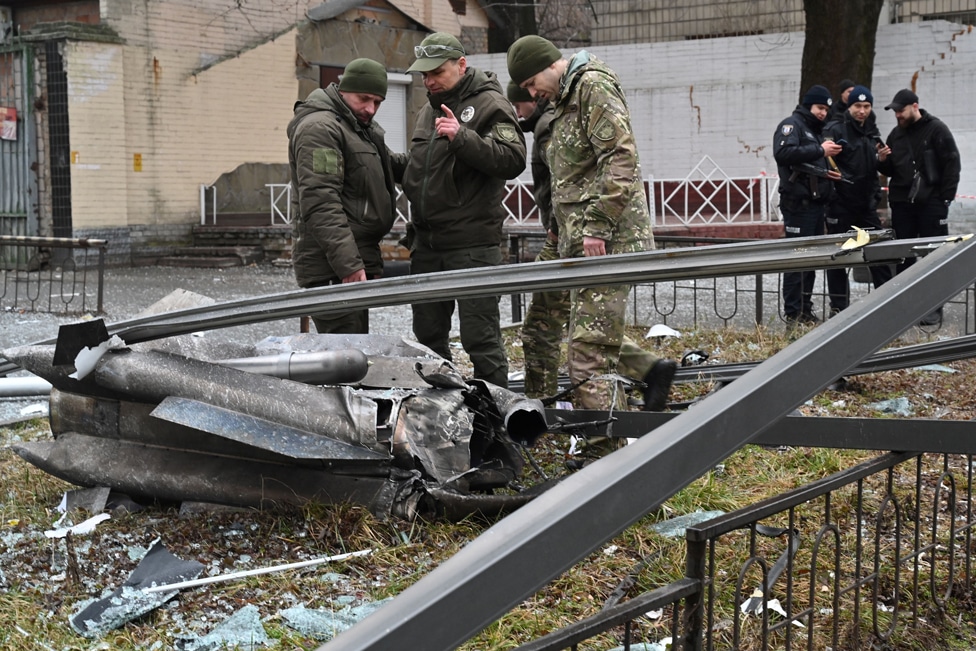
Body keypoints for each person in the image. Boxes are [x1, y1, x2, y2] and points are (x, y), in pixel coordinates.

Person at [507, 35, 677, 413]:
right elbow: (574, 175)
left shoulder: (591, 86)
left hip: (607, 240)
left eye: (532, 83)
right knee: (586, 338)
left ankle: (604, 449)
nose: (533, 94)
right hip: (580, 238)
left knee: (588, 351)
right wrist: (561, 231)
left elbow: (620, 156)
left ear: (548, 65)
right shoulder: (569, 96)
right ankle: (618, 416)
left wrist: (597, 226)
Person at [393, 33, 526, 388]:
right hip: (427, 245)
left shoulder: (489, 103)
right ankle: (443, 414)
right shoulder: (428, 109)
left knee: (480, 339)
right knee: (427, 340)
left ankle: (496, 422)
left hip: (470, 246)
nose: (429, 81)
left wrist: (462, 136)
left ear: (461, 65)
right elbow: (420, 168)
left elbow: (513, 159)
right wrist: (383, 157)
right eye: (424, 75)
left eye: (436, 72)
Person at [288, 58, 397, 333]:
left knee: (356, 355)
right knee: (344, 358)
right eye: (364, 99)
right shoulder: (320, 129)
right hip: (333, 270)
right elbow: (321, 202)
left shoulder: (356, 127)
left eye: (378, 102)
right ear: (343, 89)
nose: (370, 109)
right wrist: (348, 265)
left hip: (351, 264)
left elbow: (392, 165)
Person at [877, 88, 961, 326]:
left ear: (915, 106)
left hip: (931, 204)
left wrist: (945, 200)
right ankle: (906, 307)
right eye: (895, 112)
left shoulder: (937, 129)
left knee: (933, 256)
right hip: (903, 203)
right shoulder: (896, 134)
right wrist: (882, 161)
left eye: (901, 110)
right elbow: (890, 170)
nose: (897, 116)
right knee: (904, 256)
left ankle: (933, 307)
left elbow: (952, 164)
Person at [773, 84, 843, 325]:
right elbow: (783, 154)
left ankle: (805, 310)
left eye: (826, 109)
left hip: (815, 205)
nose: (823, 113)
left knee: (810, 261)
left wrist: (827, 175)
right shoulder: (792, 125)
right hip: (797, 205)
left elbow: (809, 163)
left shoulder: (815, 130)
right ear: (808, 105)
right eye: (819, 107)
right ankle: (793, 313)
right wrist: (820, 151)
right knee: (796, 260)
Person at [823, 84, 893, 315]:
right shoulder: (836, 129)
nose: (862, 111)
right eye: (857, 106)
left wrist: (881, 160)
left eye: (866, 106)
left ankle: (884, 303)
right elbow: (826, 162)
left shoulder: (871, 132)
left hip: (865, 205)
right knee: (839, 258)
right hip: (841, 205)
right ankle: (839, 307)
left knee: (878, 253)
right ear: (849, 106)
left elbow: (877, 166)